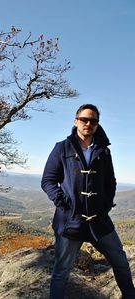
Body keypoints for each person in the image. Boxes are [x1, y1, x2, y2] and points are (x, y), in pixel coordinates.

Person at [41, 104, 135, 299]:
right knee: (61, 272)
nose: (88, 124)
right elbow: (48, 180)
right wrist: (63, 203)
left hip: (99, 220)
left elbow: (111, 182)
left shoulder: (103, 151)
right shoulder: (62, 148)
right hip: (70, 220)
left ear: (97, 125)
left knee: (120, 262)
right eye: (84, 119)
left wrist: (106, 205)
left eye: (93, 121)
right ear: (76, 121)